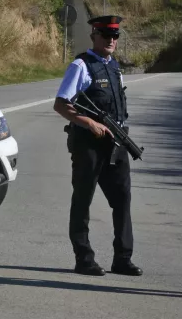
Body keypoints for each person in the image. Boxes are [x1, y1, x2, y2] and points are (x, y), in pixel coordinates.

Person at [53, 15, 142, 277]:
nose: (112, 40)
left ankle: (123, 258)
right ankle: (84, 258)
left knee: (122, 199)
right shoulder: (81, 66)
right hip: (88, 144)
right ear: (94, 35)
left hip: (116, 143)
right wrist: (88, 123)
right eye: (106, 35)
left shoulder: (114, 67)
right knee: (83, 199)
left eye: (115, 36)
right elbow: (61, 105)